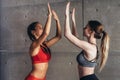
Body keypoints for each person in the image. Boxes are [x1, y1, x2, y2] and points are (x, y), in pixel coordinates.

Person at [64, 2, 110, 80]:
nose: (83, 28)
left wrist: (66, 15)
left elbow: (67, 35)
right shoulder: (90, 45)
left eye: (86, 27)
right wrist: (73, 19)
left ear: (91, 31)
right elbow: (76, 38)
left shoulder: (90, 47)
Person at [25, 3, 61, 80]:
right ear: (33, 32)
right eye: (40, 28)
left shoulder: (44, 45)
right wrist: (49, 16)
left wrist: (57, 21)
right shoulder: (34, 45)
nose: (42, 29)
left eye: (42, 27)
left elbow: (58, 36)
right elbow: (45, 34)